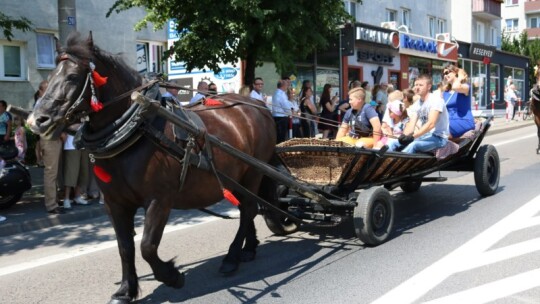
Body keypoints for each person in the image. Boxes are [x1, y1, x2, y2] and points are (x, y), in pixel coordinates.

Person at [387, 74, 449, 154]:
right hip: (424, 136)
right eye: (416, 85)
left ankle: (398, 163)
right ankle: (383, 163)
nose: (417, 87)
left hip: (439, 138)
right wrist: (404, 136)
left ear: (429, 87)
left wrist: (412, 137)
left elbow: (431, 124)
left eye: (420, 85)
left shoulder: (436, 100)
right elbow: (411, 123)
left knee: (414, 145)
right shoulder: (418, 103)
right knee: (393, 142)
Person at [35, 81, 65, 214]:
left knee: (54, 173)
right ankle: (51, 205)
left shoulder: (44, 103)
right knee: (51, 173)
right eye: (48, 89)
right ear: (41, 91)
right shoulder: (42, 104)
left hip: (53, 139)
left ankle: (54, 200)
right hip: (49, 140)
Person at [442, 64, 475, 138]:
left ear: (455, 73)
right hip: (448, 121)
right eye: (444, 74)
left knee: (441, 130)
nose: (445, 75)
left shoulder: (465, 87)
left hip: (464, 121)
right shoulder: (445, 93)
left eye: (447, 73)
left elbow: (456, 87)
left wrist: (460, 76)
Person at [61, 132, 89, 209]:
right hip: (71, 145)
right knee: (70, 173)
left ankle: (77, 197)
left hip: (84, 144)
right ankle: (66, 199)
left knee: (83, 172)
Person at [33, 81, 48, 166]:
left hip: (43, 131)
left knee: (40, 145)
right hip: (43, 131)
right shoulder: (40, 102)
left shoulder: (40, 101)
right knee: (40, 146)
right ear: (40, 91)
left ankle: (41, 160)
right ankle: (40, 160)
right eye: (46, 90)